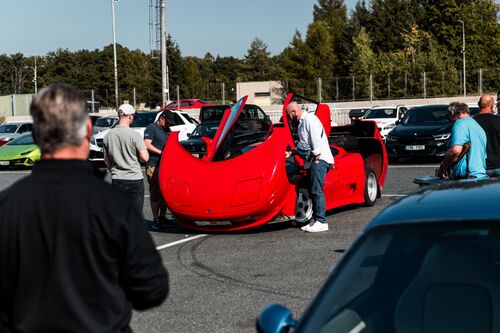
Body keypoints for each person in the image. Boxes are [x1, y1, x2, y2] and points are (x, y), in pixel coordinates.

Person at [0, 83, 168, 332]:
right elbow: (151, 288)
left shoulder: (8, 206)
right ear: (88, 130)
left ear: (37, 136)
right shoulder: (112, 205)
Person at [286, 101, 334, 233]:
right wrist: (292, 152)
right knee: (314, 190)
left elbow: (315, 138)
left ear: (294, 112)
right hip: (314, 160)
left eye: (288, 114)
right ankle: (315, 220)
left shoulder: (310, 119)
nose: (289, 117)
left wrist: (317, 155)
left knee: (317, 190)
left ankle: (322, 222)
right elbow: (304, 144)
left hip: (319, 160)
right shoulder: (302, 122)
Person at [104, 103, 149, 214]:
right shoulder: (135, 135)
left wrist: (113, 170)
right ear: (130, 116)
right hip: (134, 179)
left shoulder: (108, 136)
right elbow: (145, 157)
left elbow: (106, 160)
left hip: (117, 178)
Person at [437, 102, 487, 179]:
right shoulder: (478, 126)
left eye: (449, 115)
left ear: (452, 112)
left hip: (466, 177)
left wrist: (443, 166)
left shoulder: (459, 123)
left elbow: (455, 151)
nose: (449, 119)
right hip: (480, 175)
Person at [144, 110, 175, 230]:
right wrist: (161, 153)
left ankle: (162, 217)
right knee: (155, 194)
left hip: (165, 166)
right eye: (167, 122)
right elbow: (147, 144)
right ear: (161, 118)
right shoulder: (151, 128)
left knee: (164, 194)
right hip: (153, 165)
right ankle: (155, 219)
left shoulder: (167, 130)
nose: (169, 125)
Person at [473, 95, 500, 177]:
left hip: (480, 167)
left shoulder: (472, 122)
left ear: (478, 105)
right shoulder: (498, 120)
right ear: (492, 106)